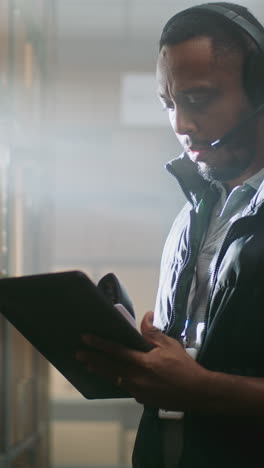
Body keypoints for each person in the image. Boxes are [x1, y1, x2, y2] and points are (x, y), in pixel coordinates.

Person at [76, 3, 264, 467]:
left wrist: (205, 390)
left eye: (198, 100)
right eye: (169, 104)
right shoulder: (190, 216)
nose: (180, 125)